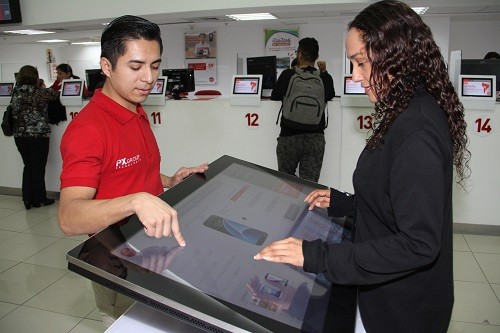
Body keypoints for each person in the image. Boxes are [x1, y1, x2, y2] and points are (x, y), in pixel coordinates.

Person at [255, 1, 470, 332]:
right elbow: (394, 201)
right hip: (380, 295)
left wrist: (316, 257)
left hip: (402, 311)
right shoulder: (406, 109)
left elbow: (418, 244)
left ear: (396, 57)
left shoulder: (418, 134)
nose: (354, 77)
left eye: (361, 63)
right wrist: (343, 203)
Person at [57, 15, 208, 328]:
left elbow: (127, 172)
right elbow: (69, 217)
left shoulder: (136, 111)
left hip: (151, 248)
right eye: (136, 66)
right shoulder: (88, 129)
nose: (149, 78)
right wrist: (135, 200)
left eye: (155, 66)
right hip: (116, 261)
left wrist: (168, 180)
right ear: (107, 66)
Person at [271, 37, 335, 183]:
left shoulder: (288, 74)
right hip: (315, 138)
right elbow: (330, 95)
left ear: (299, 54)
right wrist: (324, 72)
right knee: (310, 184)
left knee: (286, 180)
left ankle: (287, 206)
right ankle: (307, 207)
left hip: (289, 136)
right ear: (316, 57)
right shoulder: (324, 78)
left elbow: (275, 96)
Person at [10, 65, 59, 210]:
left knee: (28, 166)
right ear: (35, 77)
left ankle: (27, 199)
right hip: (38, 135)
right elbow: (56, 95)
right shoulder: (39, 92)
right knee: (38, 167)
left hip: (20, 135)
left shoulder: (16, 92)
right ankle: (39, 198)